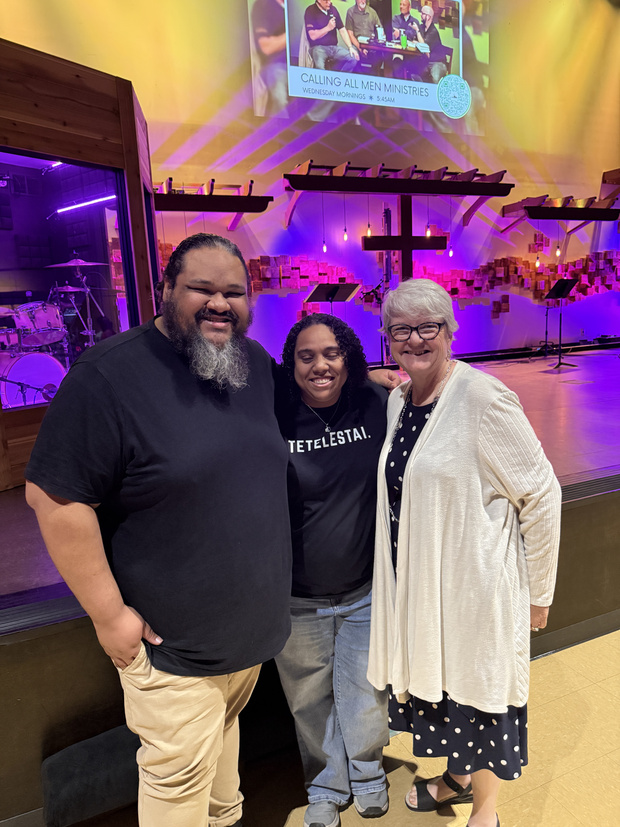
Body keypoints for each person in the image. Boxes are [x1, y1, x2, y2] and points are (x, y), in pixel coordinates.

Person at [24, 233, 293, 827]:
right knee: (178, 793)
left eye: (234, 292)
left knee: (221, 781)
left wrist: (375, 388)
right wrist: (108, 615)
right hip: (172, 651)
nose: (220, 303)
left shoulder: (251, 363)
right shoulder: (108, 375)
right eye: (202, 288)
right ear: (167, 289)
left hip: (243, 643)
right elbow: (55, 499)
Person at [367, 279, 561, 827]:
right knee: (446, 685)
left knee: (475, 689)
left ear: (449, 330)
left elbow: (542, 494)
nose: (414, 338)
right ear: (388, 338)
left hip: (476, 583)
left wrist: (539, 591)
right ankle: (456, 776)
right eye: (401, 329)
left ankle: (486, 809)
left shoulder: (483, 398)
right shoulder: (399, 400)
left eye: (427, 325)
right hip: (426, 579)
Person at [274, 314, 390, 827]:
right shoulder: (274, 414)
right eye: (306, 356)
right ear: (291, 364)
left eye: (331, 353)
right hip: (296, 596)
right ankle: (324, 785)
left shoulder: (375, 401)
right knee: (308, 699)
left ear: (349, 359)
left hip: (365, 587)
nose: (319, 365)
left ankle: (368, 772)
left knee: (367, 692)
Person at [251, 0, 288, 115]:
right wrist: (293, 33)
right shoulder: (264, 4)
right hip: (277, 65)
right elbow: (266, 47)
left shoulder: (298, 6)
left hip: (303, 66)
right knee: (279, 97)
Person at [305, 0, 360, 72]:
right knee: (319, 66)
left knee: (353, 58)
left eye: (330, 0)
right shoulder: (310, 11)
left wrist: (350, 47)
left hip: (334, 47)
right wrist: (328, 28)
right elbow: (312, 36)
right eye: (326, 1)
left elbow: (342, 29)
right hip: (318, 48)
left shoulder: (333, 9)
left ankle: (339, 77)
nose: (329, 2)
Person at [409, 4, 448, 83]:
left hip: (438, 62)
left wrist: (417, 31)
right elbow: (414, 41)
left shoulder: (433, 31)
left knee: (435, 78)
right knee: (413, 72)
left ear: (428, 17)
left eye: (423, 13)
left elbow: (424, 47)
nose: (420, 14)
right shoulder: (422, 28)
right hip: (427, 62)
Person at [345, 0, 383, 75]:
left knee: (380, 55)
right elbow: (350, 34)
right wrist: (360, 48)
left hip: (370, 44)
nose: (363, 1)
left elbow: (380, 30)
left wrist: (379, 38)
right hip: (356, 44)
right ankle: (360, 76)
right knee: (353, 56)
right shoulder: (350, 12)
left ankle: (373, 76)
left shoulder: (372, 12)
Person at [391, 0, 418, 79]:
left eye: (404, 5)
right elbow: (395, 35)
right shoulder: (396, 18)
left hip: (411, 52)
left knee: (414, 66)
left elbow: (413, 35)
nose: (401, 7)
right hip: (398, 50)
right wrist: (407, 33)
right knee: (397, 61)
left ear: (409, 8)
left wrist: (401, 32)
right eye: (400, 4)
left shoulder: (415, 21)